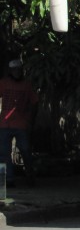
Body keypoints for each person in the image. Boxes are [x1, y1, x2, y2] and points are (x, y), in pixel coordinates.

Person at [0, 59, 38, 187]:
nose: (17, 72)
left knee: (26, 151)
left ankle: (30, 176)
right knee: (4, 153)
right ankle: (9, 180)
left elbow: (34, 102)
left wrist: (30, 121)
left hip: (21, 124)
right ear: (10, 71)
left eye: (19, 69)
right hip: (5, 124)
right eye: (14, 70)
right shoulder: (3, 83)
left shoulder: (26, 85)